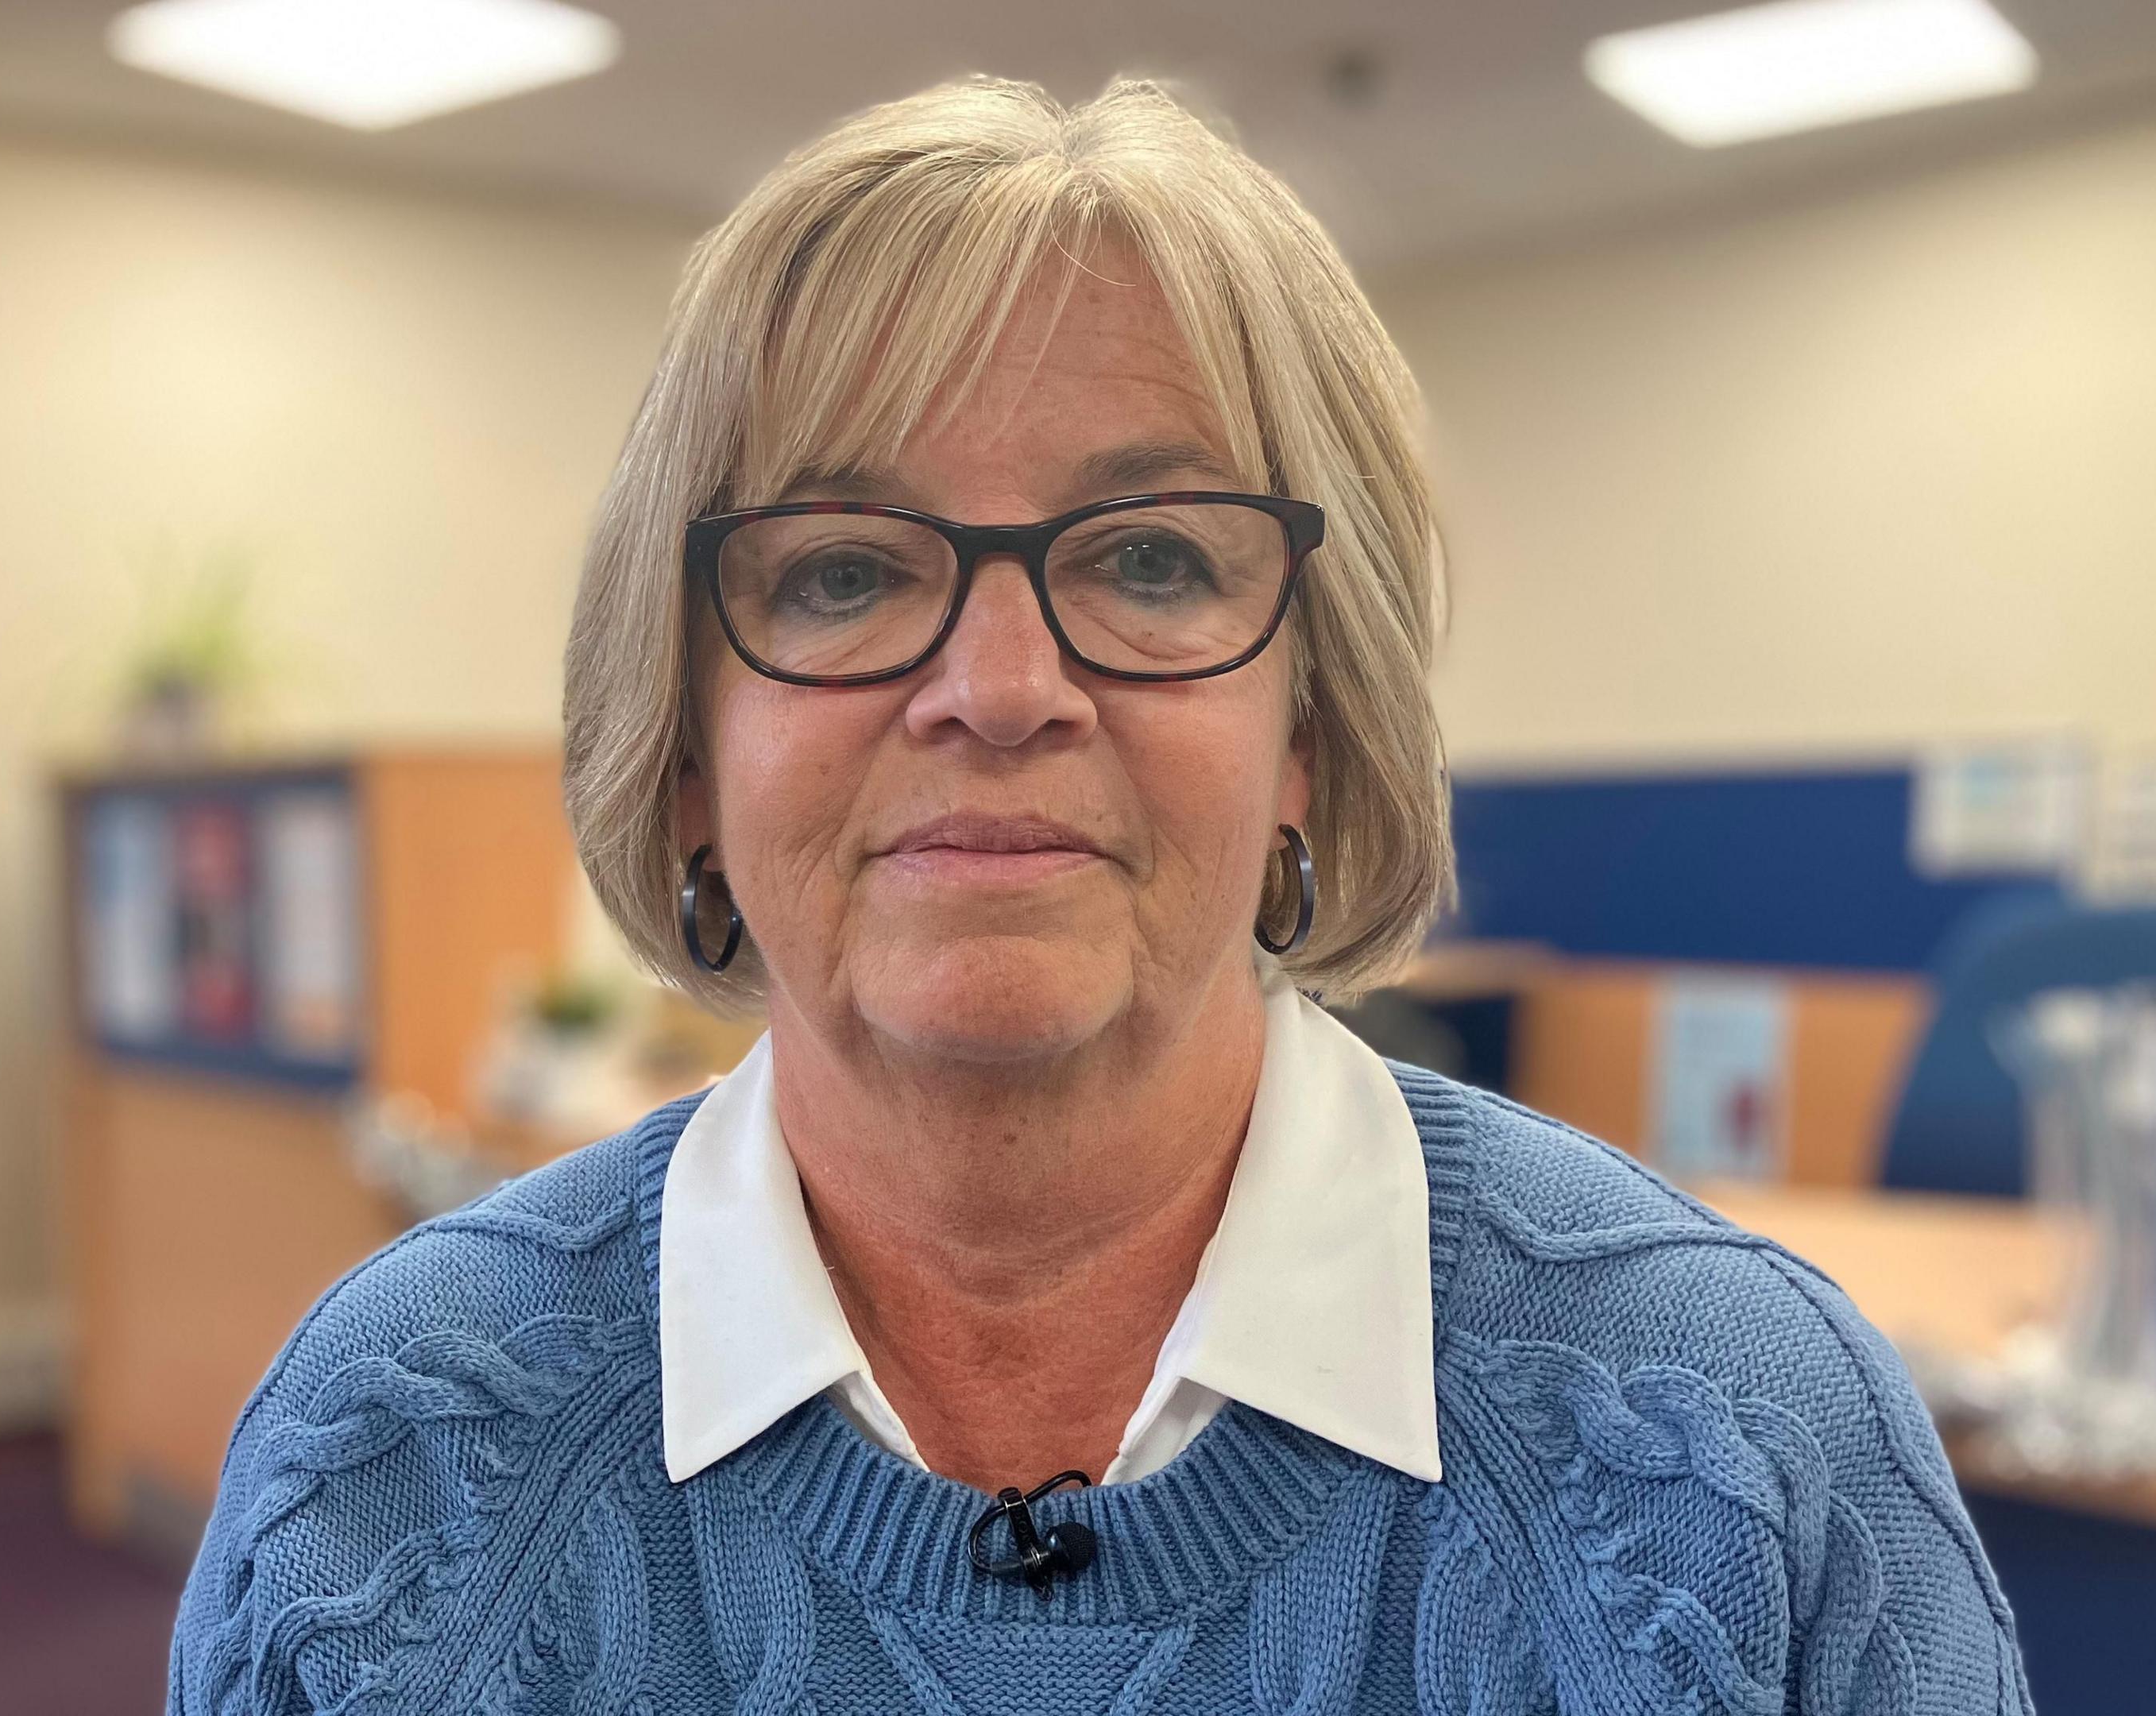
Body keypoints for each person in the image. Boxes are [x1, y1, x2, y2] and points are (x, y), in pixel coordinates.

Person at [167, 75, 2030, 1714]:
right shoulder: (387, 1458)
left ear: (1313, 724)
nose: (998, 686)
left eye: (1148, 557)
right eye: (840, 572)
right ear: (685, 752)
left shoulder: (1753, 1445)